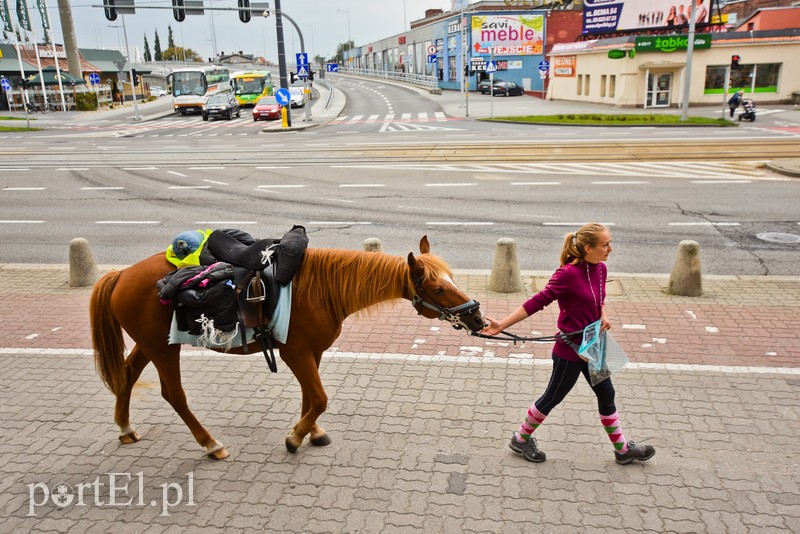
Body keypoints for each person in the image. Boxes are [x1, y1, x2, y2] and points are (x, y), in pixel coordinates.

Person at [482, 223, 656, 465]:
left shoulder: (601, 269)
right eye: (605, 245)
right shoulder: (566, 274)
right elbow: (536, 302)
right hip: (570, 350)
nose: (610, 249)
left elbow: (599, 299)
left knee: (607, 394)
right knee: (553, 397)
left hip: (593, 346)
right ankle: (521, 438)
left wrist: (603, 316)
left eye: (610, 243)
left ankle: (623, 449)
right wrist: (502, 325)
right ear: (588, 248)